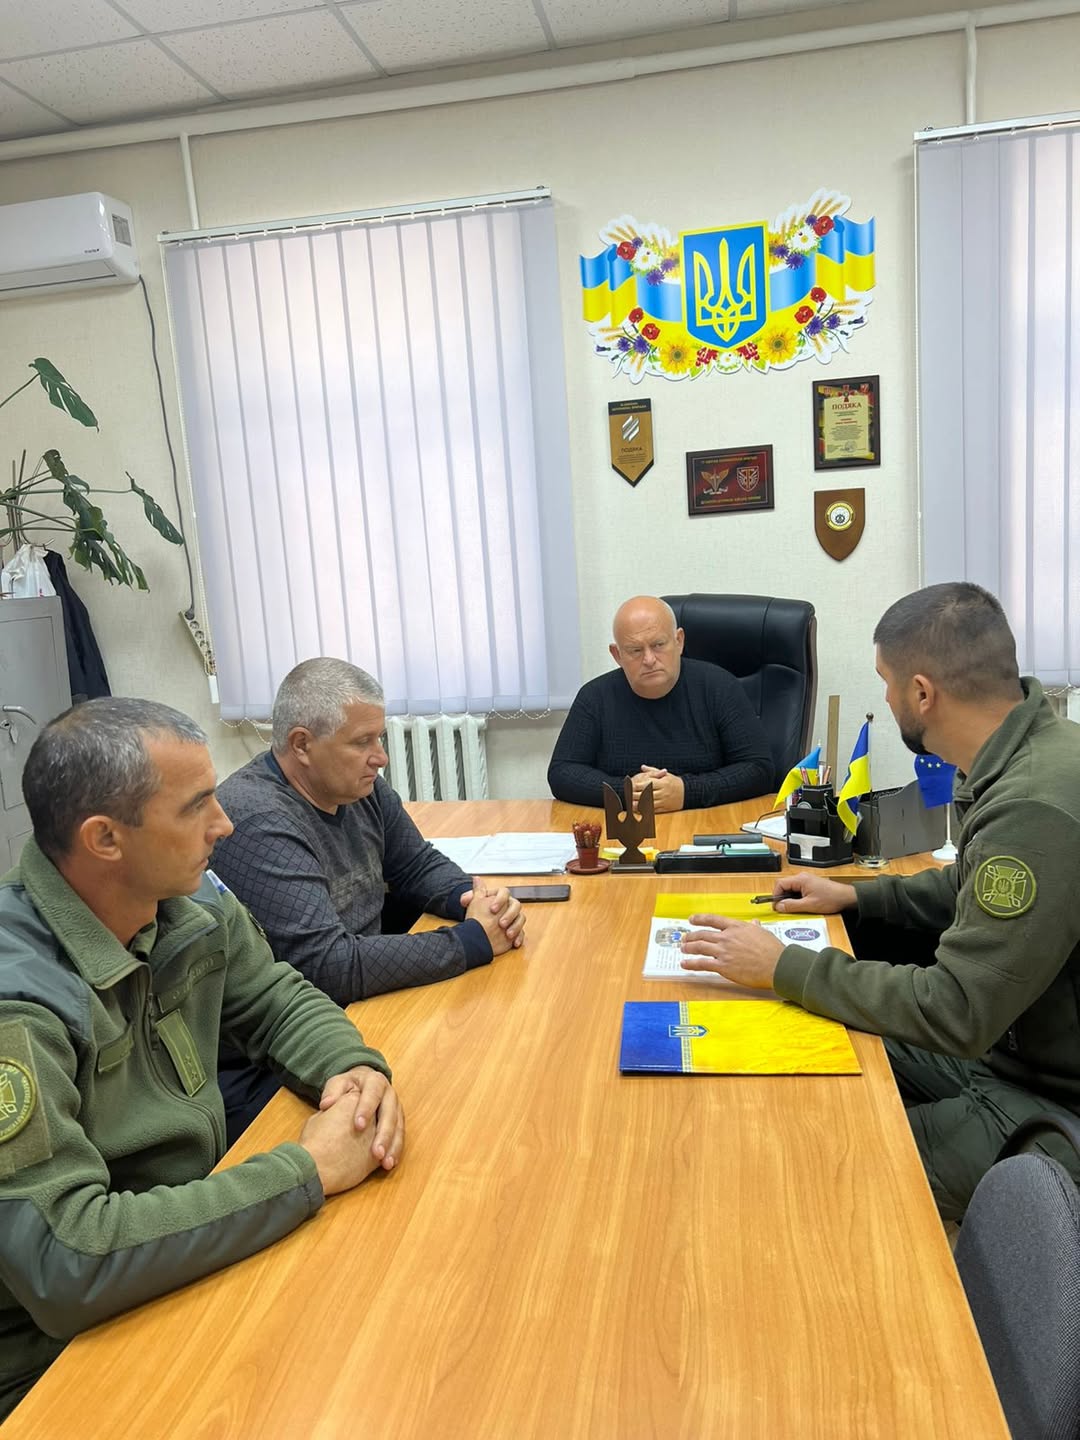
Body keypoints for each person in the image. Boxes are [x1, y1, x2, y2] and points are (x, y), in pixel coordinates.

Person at [0, 699, 405, 1422]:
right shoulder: (17, 1004)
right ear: (104, 839)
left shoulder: (181, 901)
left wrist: (353, 1070)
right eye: (196, 807)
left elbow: (276, 996)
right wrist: (306, 1170)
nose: (225, 824)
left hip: (176, 1258)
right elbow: (68, 1259)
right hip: (55, 1361)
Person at [678, 581, 1080, 1219]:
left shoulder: (1032, 805)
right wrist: (857, 897)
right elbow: (971, 887)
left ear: (922, 692)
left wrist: (782, 965)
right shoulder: (1029, 751)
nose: (886, 699)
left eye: (886, 682)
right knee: (817, 1032)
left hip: (1047, 1099)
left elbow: (956, 1010)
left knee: (817, 1163)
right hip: (1009, 1049)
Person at [211, 659, 524, 1137]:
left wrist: (476, 899)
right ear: (302, 745)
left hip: (360, 1009)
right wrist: (472, 941)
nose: (381, 758)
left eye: (379, 738)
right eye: (362, 742)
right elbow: (326, 966)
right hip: (279, 1058)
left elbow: (416, 864)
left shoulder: (360, 788)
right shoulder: (256, 820)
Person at [547, 595, 772, 812]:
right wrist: (626, 792)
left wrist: (687, 792)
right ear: (617, 655)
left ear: (679, 641)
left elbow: (759, 768)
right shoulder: (595, 697)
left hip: (706, 825)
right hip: (626, 828)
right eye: (635, 650)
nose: (649, 659)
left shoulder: (719, 687)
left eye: (658, 645)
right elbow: (561, 773)